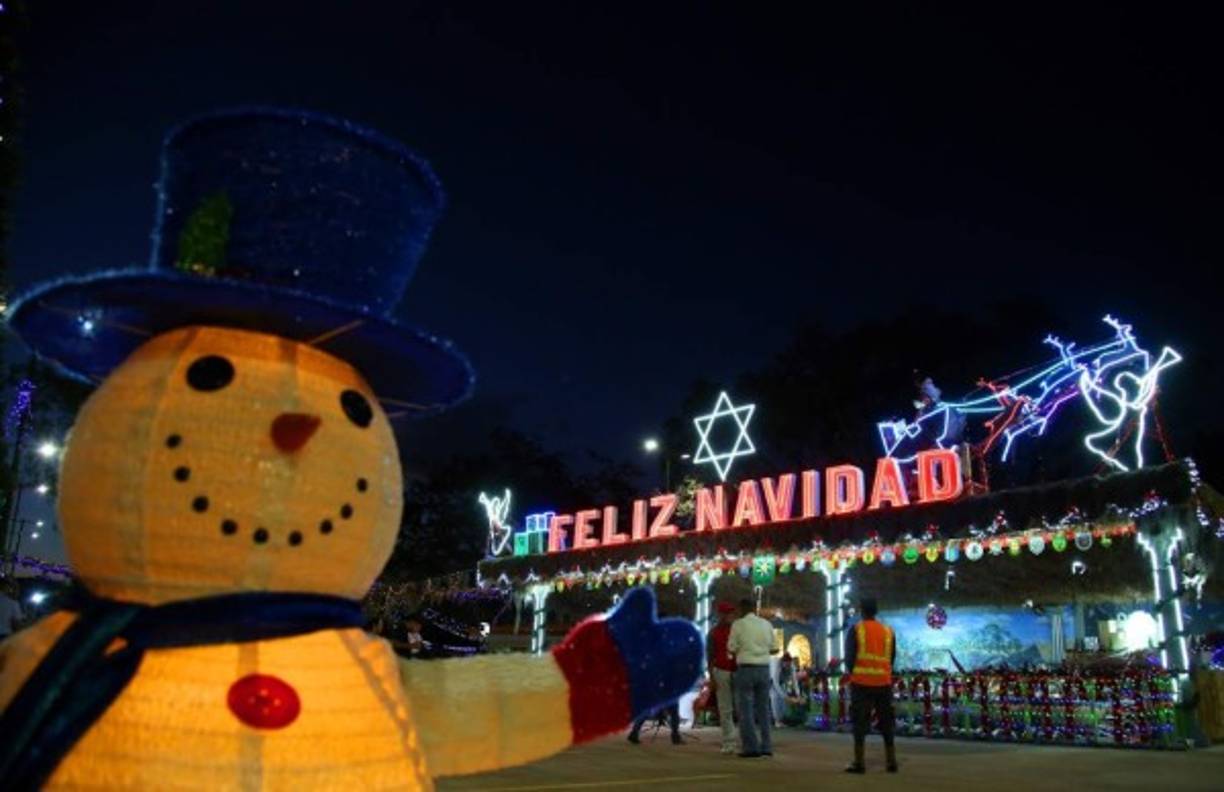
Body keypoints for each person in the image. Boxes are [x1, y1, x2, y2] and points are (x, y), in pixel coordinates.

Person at [844, 597, 898, 774]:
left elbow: (849, 658)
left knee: (860, 723)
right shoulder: (888, 631)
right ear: (876, 611)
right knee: (886, 722)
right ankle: (891, 761)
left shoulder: (856, 629)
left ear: (861, 610)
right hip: (883, 682)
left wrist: (856, 672)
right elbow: (891, 658)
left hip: (861, 683)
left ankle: (859, 763)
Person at [727, 597, 775, 758]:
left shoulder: (738, 625)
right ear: (755, 609)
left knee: (745, 709)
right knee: (764, 709)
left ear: (741, 609)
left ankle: (751, 747)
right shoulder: (767, 625)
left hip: (745, 668)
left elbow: (731, 647)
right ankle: (767, 746)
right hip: (764, 668)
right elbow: (774, 648)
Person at [707, 601, 739, 754]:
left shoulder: (738, 630)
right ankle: (729, 742)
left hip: (738, 671)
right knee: (725, 709)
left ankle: (739, 740)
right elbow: (709, 657)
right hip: (721, 670)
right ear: (720, 614)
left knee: (740, 708)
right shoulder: (713, 633)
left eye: (731, 613)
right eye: (726, 613)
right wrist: (712, 677)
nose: (729, 615)